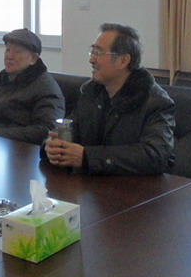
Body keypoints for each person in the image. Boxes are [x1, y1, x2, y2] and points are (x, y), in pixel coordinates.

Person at [42, 23, 175, 175]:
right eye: (92, 51)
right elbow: (71, 130)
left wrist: (87, 157)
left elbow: (155, 155)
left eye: (98, 53)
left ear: (123, 61)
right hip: (91, 183)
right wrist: (52, 146)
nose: (92, 60)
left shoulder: (156, 102)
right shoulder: (91, 93)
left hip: (135, 187)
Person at [0, 28, 65, 145]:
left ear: (33, 58)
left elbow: (46, 130)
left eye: (17, 51)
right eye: (7, 50)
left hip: (24, 150)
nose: (9, 56)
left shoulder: (46, 88)